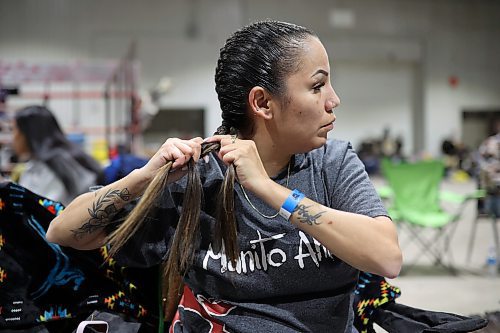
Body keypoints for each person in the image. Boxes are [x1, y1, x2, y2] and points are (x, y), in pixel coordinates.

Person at [47, 20, 402, 332]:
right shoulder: (199, 176)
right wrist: (143, 177)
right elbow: (63, 232)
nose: (333, 100)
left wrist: (266, 188)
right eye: (317, 86)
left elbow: (386, 257)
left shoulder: (333, 163)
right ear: (263, 103)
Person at [11, 105, 103, 205]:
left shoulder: (53, 168)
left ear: (28, 133)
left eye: (15, 130)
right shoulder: (59, 160)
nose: (13, 137)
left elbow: (46, 213)